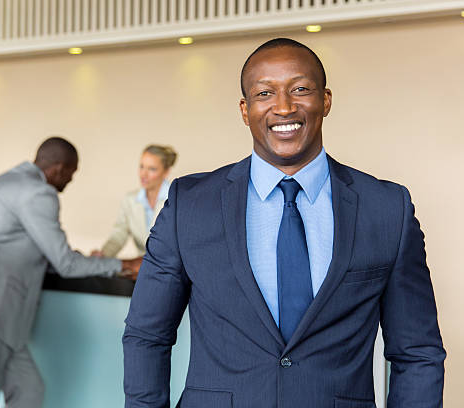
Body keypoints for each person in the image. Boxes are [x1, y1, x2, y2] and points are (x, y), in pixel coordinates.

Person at [123, 38, 445, 407]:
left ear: (325, 100)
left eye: (300, 89)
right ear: (245, 110)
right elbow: (147, 336)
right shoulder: (189, 204)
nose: (283, 106)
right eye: (264, 93)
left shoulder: (387, 208)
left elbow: (417, 353)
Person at [0, 136, 142, 408]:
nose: (70, 181)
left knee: (30, 392)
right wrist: (125, 265)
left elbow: (43, 252)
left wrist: (89, 261)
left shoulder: (7, 181)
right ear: (60, 168)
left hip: (6, 319)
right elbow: (64, 263)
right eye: (71, 173)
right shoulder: (38, 193)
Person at [98, 145, 177, 257]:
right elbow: (119, 234)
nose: (143, 174)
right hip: (142, 265)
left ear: (166, 172)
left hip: (172, 268)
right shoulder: (130, 200)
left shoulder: (177, 200)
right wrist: (103, 254)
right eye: (141, 167)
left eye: (152, 169)